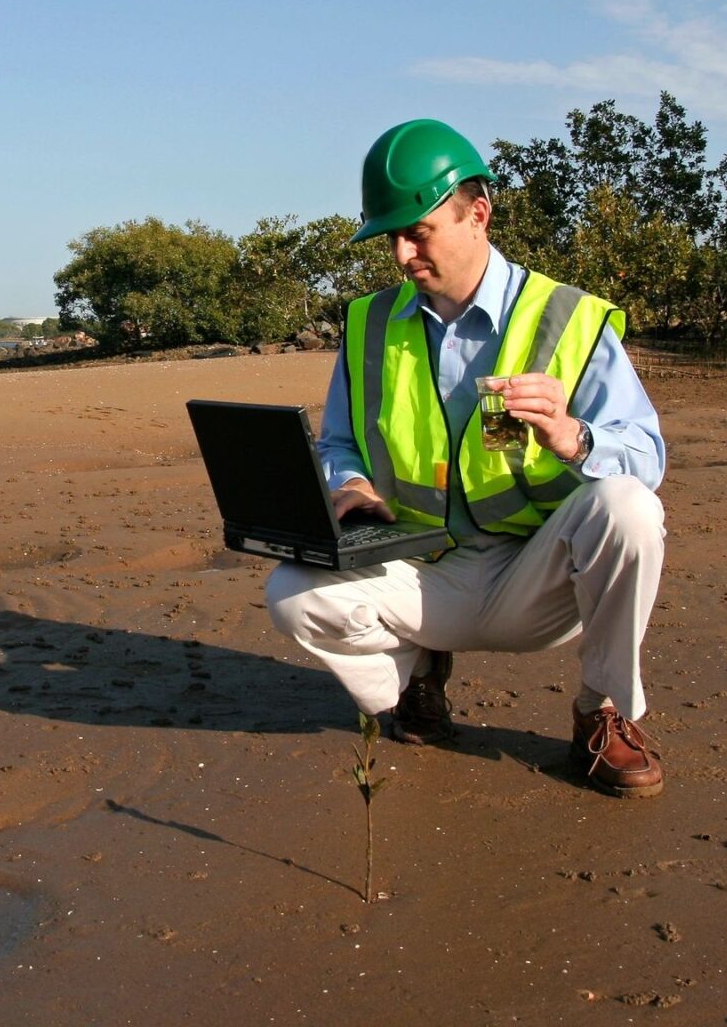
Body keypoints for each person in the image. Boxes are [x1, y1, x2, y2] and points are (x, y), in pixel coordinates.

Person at [264, 119, 669, 797]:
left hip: (537, 577)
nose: (399, 254)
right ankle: (417, 676)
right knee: (292, 593)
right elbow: (337, 442)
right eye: (389, 236)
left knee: (628, 507)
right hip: (423, 571)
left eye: (416, 233)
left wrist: (576, 438)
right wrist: (351, 483)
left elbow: (647, 456)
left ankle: (602, 711)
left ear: (477, 214)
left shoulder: (569, 318)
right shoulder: (368, 324)